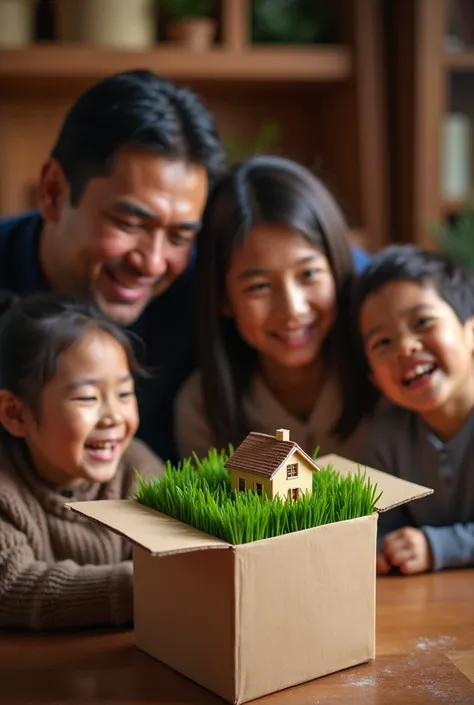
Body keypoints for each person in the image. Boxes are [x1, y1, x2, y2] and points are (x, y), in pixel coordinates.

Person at [0, 69, 226, 463]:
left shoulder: (205, 282)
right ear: (53, 191)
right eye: (129, 224)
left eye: (179, 235)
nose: (153, 263)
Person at [175, 156, 373, 461]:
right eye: (259, 287)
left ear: (337, 269)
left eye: (308, 274)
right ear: (224, 299)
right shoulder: (202, 406)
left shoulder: (384, 375)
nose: (292, 309)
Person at [0, 291, 164, 630]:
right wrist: (143, 587)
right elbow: (14, 585)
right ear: (16, 413)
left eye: (123, 393)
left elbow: (174, 555)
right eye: (87, 397)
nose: (113, 417)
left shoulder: (139, 468)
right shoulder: (6, 492)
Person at [354, 244, 474, 574]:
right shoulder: (384, 437)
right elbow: (383, 524)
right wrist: (385, 549)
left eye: (423, 322)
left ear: (471, 330)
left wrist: (439, 546)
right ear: (374, 379)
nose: (406, 347)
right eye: (383, 343)